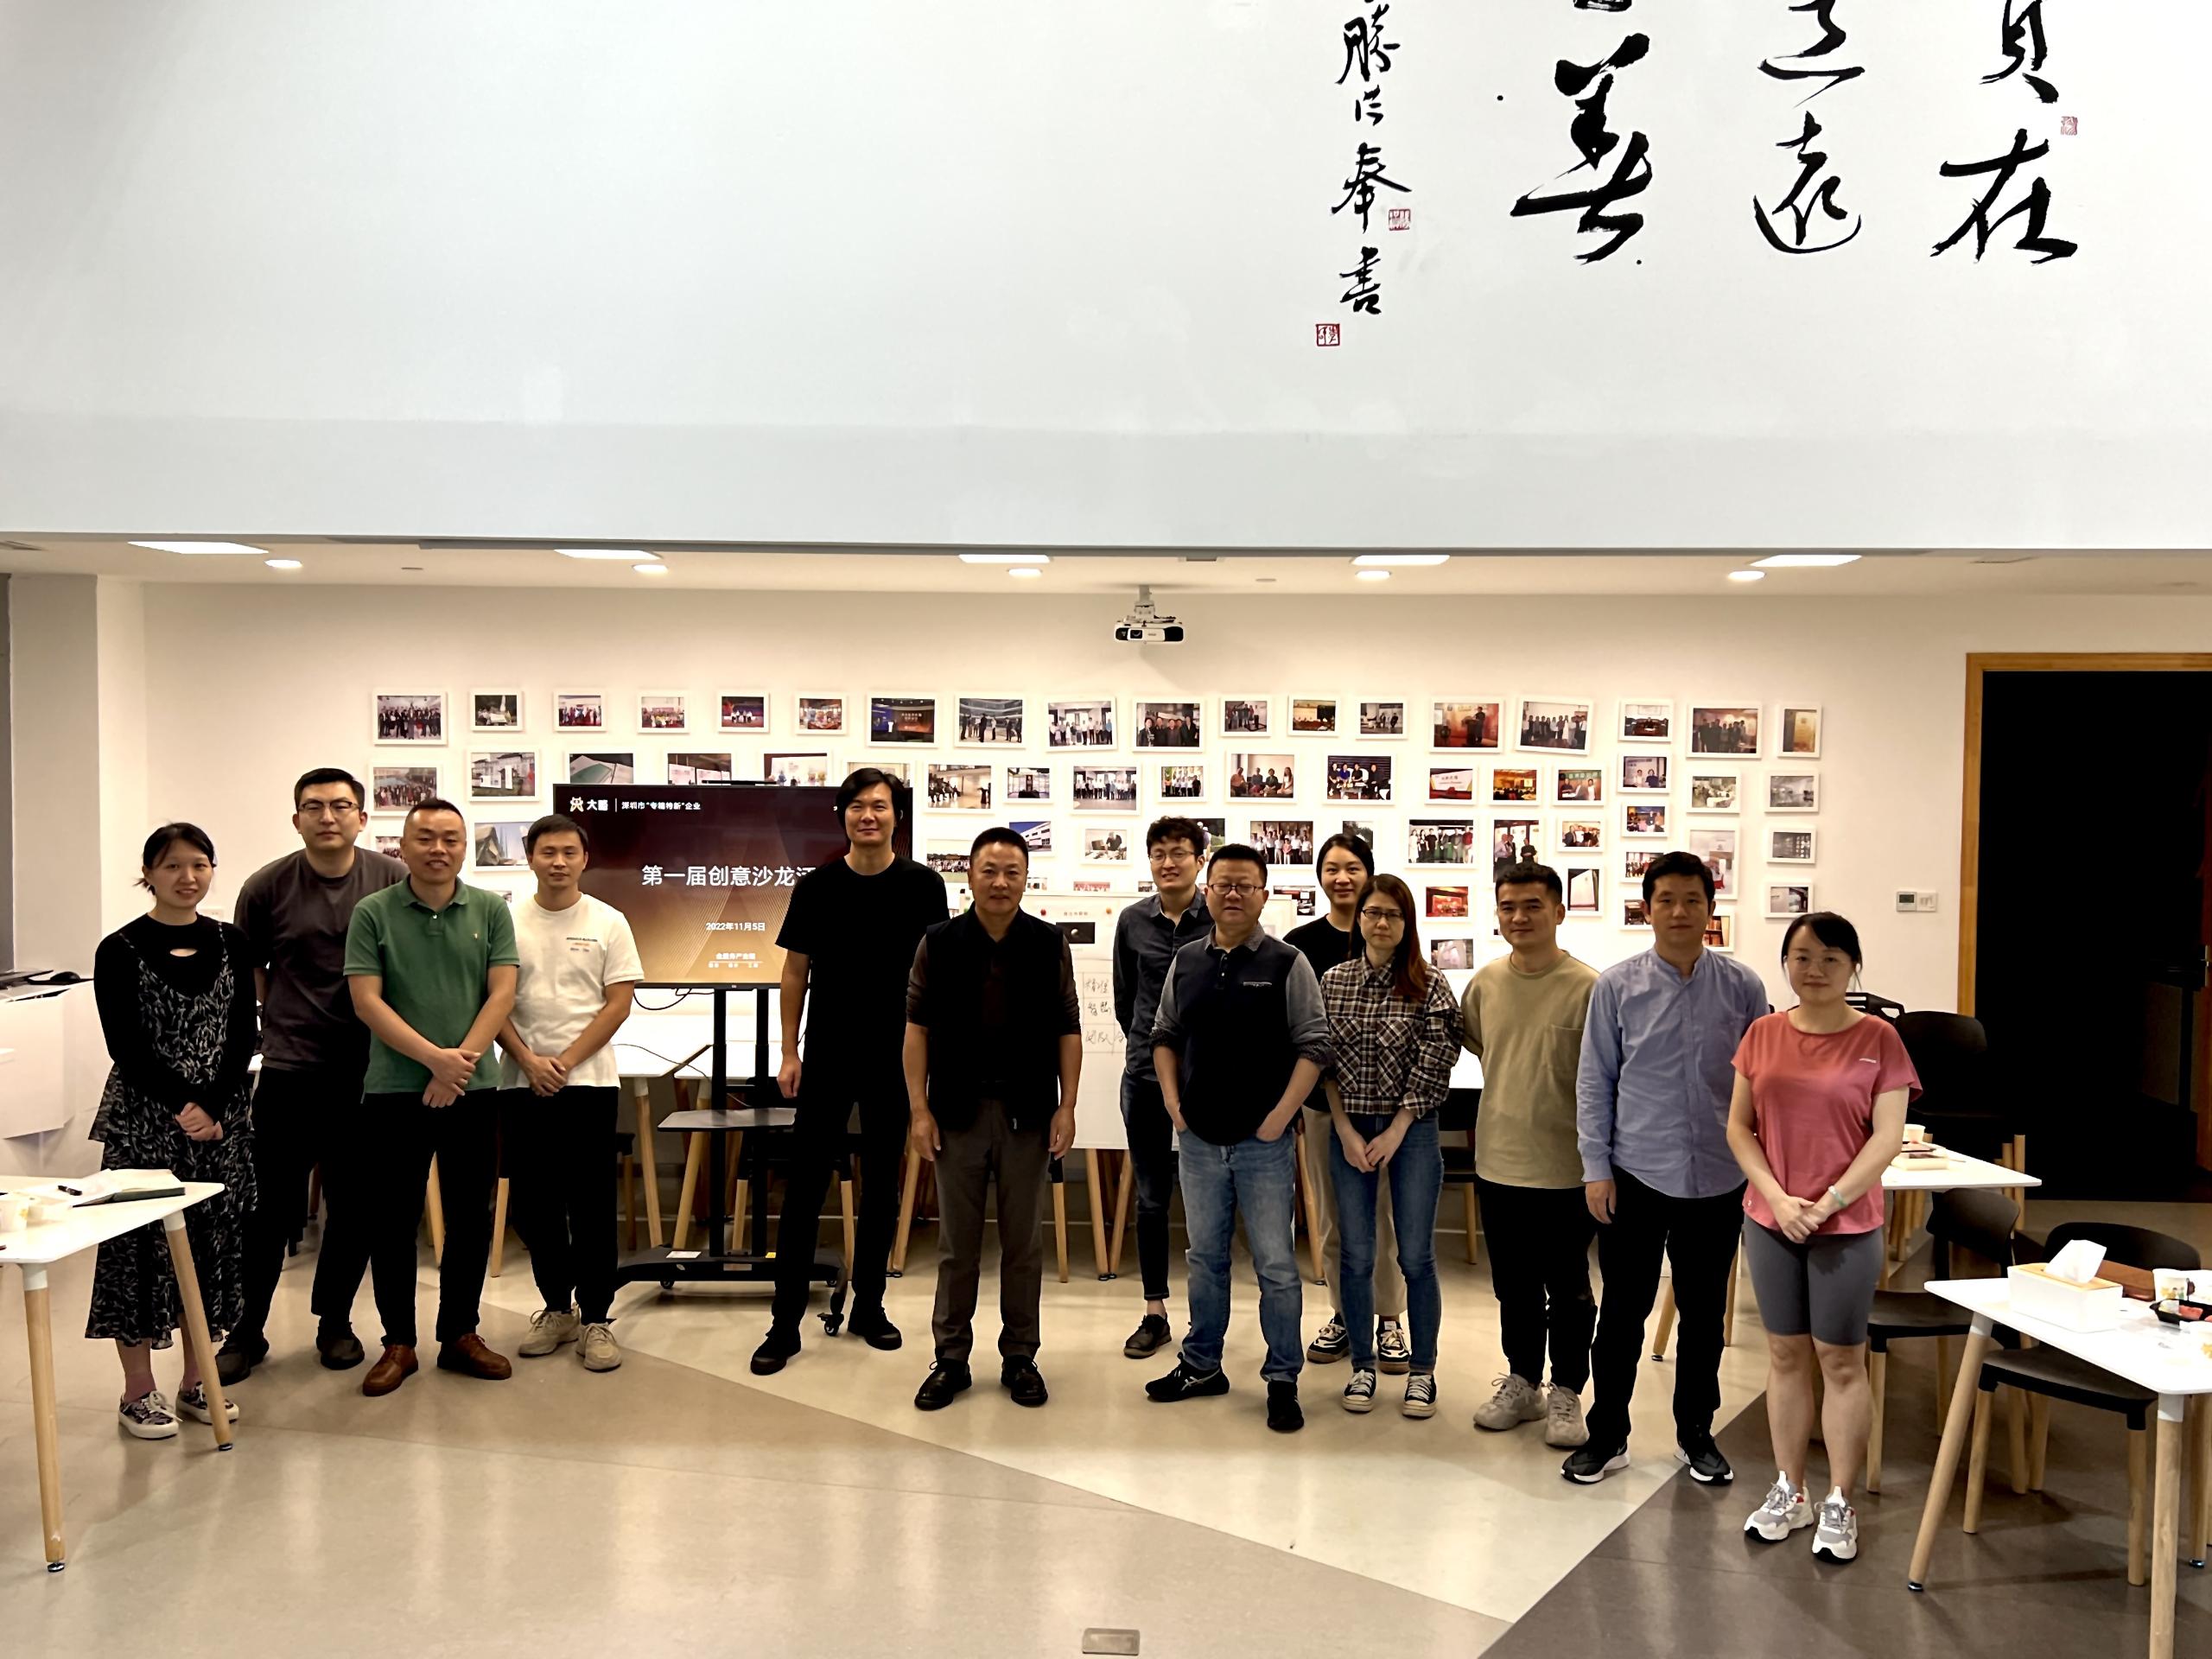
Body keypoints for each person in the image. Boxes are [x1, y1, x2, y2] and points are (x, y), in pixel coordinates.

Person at [1566, 850, 1769, 1485]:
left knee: (1704, 1316)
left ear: (1711, 909)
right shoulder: (1616, 986)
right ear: (1647, 909)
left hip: (1719, 1176)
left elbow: (1763, 1083)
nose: (1679, 912)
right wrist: (1595, 1167)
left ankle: (1696, 1434)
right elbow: (1595, 1081)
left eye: (1692, 900)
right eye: (1666, 900)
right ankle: (1607, 1435)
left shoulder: (1743, 988)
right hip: (1635, 1173)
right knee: (1622, 1313)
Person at [1729, 913, 1918, 1564]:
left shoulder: (1879, 1039)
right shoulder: (1762, 1033)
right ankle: (1790, 1489)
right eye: (1802, 957)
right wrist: (1779, 1200)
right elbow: (1739, 1128)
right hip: (1772, 1219)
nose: (1814, 970)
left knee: (1840, 1361)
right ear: (1786, 962)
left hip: (1847, 1224)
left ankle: (1840, 1499)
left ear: (1853, 967)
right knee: (1785, 1356)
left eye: (1831, 959)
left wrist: (1830, 1201)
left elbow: (1887, 1138)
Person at [752, 769, 950, 1375]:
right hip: (829, 1054)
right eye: (858, 806)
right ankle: (784, 1323)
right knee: (805, 1187)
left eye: (880, 806)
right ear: (842, 816)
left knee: (883, 1187)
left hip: (896, 1056)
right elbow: (795, 973)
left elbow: (935, 977)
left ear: (896, 817)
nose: (869, 816)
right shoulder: (816, 887)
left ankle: (869, 1307)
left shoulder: (923, 885)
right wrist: (789, 1051)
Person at [219, 767, 405, 1384]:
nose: (328, 817)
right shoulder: (266, 886)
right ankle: (247, 1330)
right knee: (268, 1211)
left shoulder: (391, 878)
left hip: (368, 1071)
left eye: (341, 806)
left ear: (362, 818)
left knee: (353, 1208)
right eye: (315, 806)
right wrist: (280, 1014)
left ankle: (335, 1323)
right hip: (291, 1068)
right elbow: (250, 968)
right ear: (296, 818)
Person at [1146, 844, 1331, 1433]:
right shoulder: (1187, 960)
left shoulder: (1287, 962)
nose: (1232, 894)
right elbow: (1164, 1034)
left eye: (1244, 885)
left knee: (1276, 1264)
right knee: (1204, 1258)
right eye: (1222, 883)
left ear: (1263, 895)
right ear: (1207, 892)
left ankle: (1282, 1379)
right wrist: (1173, 1104)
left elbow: (1315, 1045)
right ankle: (1202, 1365)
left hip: (1263, 1143)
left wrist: (1280, 1117)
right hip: (1199, 1139)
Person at [344, 798, 519, 1396]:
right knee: (393, 1221)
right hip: (395, 1090)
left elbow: (501, 995)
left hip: (474, 1089)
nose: (438, 849)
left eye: (450, 839)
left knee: (471, 1218)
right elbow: (367, 1001)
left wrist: (457, 1066)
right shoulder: (373, 912)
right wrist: (433, 1061)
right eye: (425, 838)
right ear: (403, 846)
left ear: (465, 847)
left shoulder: (491, 909)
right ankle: (399, 1342)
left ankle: (460, 1334)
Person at [89, 823, 258, 1439]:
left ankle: (196, 1380)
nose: (187, 877)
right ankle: (138, 1391)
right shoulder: (118, 948)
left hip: (220, 1122)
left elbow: (243, 1035)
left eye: (199, 864)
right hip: (145, 1123)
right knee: (136, 1252)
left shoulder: (232, 941)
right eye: (172, 866)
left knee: (210, 1249)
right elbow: (125, 1044)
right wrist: (183, 1104)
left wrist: (210, 1106)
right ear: (149, 874)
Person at [906, 828, 1082, 1410]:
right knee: (956, 1246)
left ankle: (1021, 1357)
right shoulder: (939, 941)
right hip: (955, 1112)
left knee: (1023, 1244)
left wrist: (1068, 1105)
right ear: (970, 875)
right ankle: (950, 1359)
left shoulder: (1048, 943)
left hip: (1027, 1113)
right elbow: (916, 1030)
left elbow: (1068, 1027)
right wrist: (919, 1110)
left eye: (1012, 872)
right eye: (989, 870)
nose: (1000, 882)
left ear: (1026, 878)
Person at [497, 813, 644, 1375]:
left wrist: (563, 1062)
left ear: (585, 859)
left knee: (591, 1204)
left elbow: (618, 1003)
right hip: (520, 1082)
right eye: (547, 852)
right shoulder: (505, 922)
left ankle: (598, 1318)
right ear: (529, 857)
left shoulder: (609, 921)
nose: (558, 862)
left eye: (568, 852)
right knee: (534, 1205)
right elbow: (494, 1002)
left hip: (589, 1083)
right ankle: (557, 1308)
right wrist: (528, 1060)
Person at [1462, 861, 1600, 1447]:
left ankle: (1567, 1390)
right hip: (1499, 1161)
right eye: (1508, 907)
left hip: (1567, 1168)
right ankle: (1522, 1382)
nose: (1519, 917)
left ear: (1559, 912)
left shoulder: (1589, 988)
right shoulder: (1485, 984)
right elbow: (1482, 1047)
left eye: (1533, 906)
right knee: (1513, 1287)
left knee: (1569, 1289)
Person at [1319, 874, 1461, 1419]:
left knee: (1415, 1255)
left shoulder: (1430, 984)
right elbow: (1323, 1062)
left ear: (1408, 924)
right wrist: (1345, 1129)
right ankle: (1362, 1365)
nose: (1382, 923)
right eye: (1373, 912)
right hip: (1350, 1127)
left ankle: (1422, 1371)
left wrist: (1397, 1128)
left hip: (1413, 1129)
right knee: (1355, 1254)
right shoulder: (1333, 982)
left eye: (1393, 915)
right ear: (1359, 919)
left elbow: (1435, 1061)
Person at [1286, 835, 1409, 1372]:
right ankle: (1343, 1312)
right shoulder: (1301, 944)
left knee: (1385, 1219)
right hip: (1323, 1106)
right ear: (1320, 876)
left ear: (1369, 874)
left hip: (1387, 1110)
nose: (1342, 878)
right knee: (1333, 1218)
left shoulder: (1391, 937)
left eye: (1353, 867)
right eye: (1332, 868)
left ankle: (1389, 1318)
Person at [1109, 816, 1213, 1358]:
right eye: (1159, 854)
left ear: (1200, 859)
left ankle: (1207, 1317)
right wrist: (1153, 1048)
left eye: (1179, 853)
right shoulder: (1132, 921)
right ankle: (1155, 1311)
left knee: (1207, 1201)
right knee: (1151, 1197)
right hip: (1145, 1077)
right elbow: (1126, 1000)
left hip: (1207, 1079)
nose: (1168, 863)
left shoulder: (1219, 916)